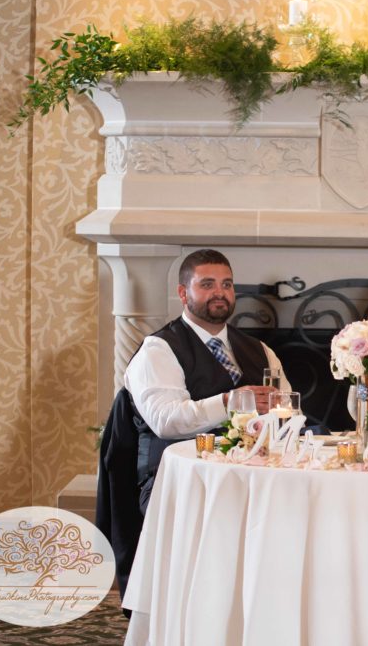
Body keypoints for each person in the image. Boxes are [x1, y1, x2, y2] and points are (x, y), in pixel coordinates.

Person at [96, 248, 290, 605]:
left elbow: (287, 408)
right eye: (207, 284)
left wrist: (282, 416)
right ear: (184, 293)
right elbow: (166, 421)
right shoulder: (159, 349)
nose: (220, 292)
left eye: (227, 284)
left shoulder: (260, 350)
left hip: (253, 471)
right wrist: (232, 401)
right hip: (179, 476)